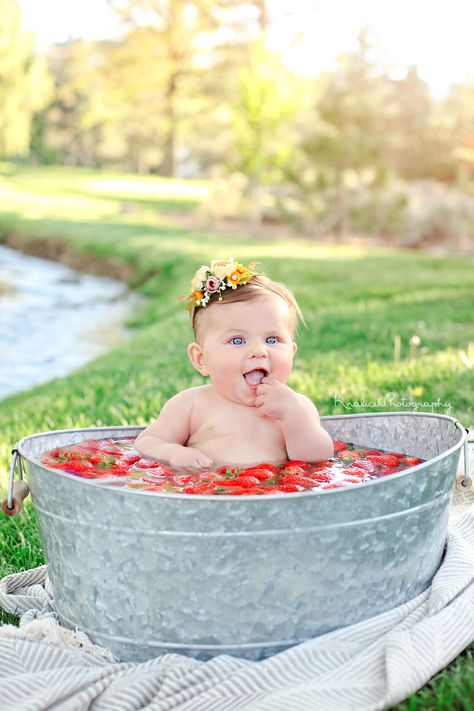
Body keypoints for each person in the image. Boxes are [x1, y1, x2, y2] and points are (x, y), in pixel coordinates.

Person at [135, 258, 334, 469]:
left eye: (272, 340)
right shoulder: (191, 405)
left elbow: (318, 459)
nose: (259, 351)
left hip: (274, 495)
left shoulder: (296, 406)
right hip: (211, 493)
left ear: (292, 352)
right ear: (201, 359)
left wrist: (294, 416)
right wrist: (174, 453)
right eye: (237, 341)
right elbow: (148, 442)